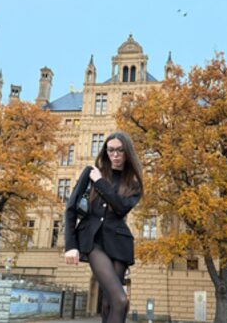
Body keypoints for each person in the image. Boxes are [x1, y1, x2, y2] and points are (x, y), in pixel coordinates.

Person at [64, 131, 143, 323]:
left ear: (127, 153)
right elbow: (71, 208)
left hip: (119, 244)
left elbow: (121, 208)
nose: (115, 155)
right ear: (105, 151)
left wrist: (100, 182)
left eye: (120, 150)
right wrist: (71, 246)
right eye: (110, 150)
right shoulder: (90, 172)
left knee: (109, 303)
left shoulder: (133, 184)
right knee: (120, 300)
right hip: (93, 241)